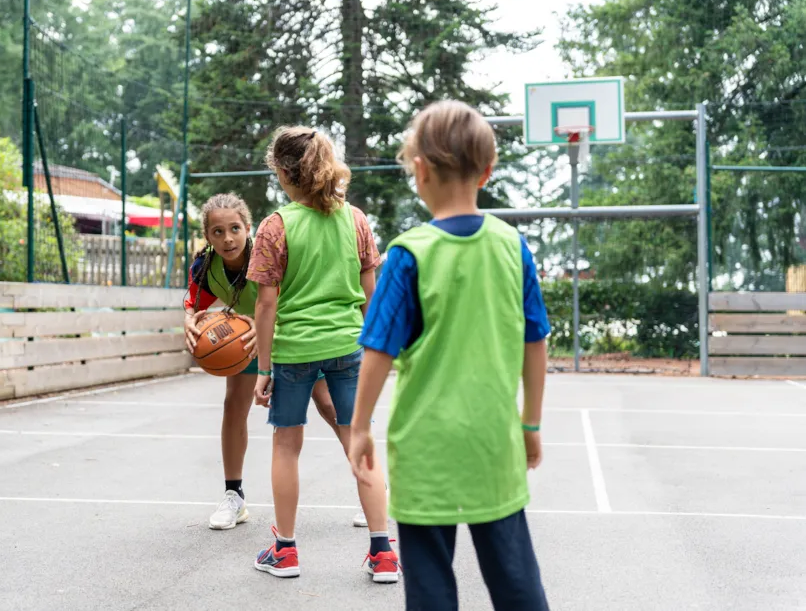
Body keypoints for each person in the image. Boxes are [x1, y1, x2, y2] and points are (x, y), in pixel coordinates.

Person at [348, 100, 551, 610]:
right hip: (494, 444)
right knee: (516, 582)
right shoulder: (513, 247)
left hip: (426, 449)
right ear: (488, 170)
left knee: (431, 588)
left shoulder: (409, 254)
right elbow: (536, 341)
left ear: (419, 169)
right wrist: (530, 424)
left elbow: (378, 349)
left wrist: (360, 425)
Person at [248, 127, 399, 582]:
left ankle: (286, 551)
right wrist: (374, 352)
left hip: (295, 351)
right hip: (349, 346)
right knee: (361, 443)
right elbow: (372, 295)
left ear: (282, 171)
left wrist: (263, 369)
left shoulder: (276, 225)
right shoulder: (355, 219)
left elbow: (266, 304)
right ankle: (383, 552)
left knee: (286, 445)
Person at [183, 193, 343, 531]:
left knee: (328, 404)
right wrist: (190, 320)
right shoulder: (204, 267)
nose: (228, 238)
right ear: (207, 236)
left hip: (289, 332)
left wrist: (264, 324)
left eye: (235, 228)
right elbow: (193, 303)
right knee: (233, 406)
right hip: (245, 341)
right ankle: (234, 497)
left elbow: (293, 299)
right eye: (218, 232)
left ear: (248, 227)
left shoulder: (269, 253)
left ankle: (370, 484)